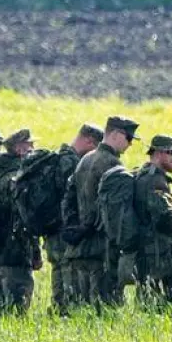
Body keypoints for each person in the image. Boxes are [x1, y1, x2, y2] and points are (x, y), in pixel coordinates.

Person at [113, 135, 172, 312]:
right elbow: (165, 218)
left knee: (148, 297)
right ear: (158, 153)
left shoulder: (141, 174)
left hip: (146, 251)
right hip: (159, 251)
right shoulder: (154, 180)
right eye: (171, 152)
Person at [64, 116, 137, 312]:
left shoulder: (84, 159)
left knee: (81, 309)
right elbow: (116, 214)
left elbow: (68, 199)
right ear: (115, 134)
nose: (130, 144)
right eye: (129, 138)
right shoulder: (112, 164)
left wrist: (75, 229)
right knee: (105, 309)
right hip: (102, 249)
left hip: (80, 247)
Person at [44, 125, 103, 315]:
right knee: (68, 276)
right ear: (87, 140)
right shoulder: (71, 163)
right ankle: (66, 313)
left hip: (51, 230)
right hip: (65, 230)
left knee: (58, 274)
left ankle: (59, 311)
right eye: (95, 145)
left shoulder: (56, 159)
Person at [0, 129, 40, 315]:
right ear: (19, 150)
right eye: (30, 145)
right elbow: (24, 217)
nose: (34, 149)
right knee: (16, 309)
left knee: (0, 309)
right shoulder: (15, 180)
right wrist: (34, 250)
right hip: (15, 251)